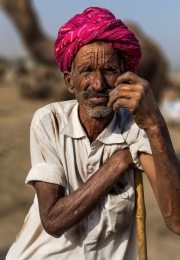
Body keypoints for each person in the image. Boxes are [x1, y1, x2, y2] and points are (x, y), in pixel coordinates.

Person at [6, 6, 180, 260]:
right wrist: (118, 163)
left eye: (109, 70)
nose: (98, 84)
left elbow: (177, 221)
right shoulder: (49, 121)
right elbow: (53, 220)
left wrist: (156, 124)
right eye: (86, 71)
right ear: (69, 81)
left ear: (125, 77)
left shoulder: (137, 127)